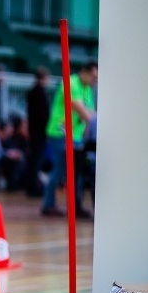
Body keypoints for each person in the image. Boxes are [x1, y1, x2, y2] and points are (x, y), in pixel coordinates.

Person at [41, 60, 98, 219]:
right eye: (93, 76)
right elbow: (84, 113)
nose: (95, 80)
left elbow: (92, 115)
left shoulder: (87, 89)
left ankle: (76, 206)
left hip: (77, 136)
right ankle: (48, 205)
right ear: (84, 72)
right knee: (59, 170)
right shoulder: (71, 83)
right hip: (60, 133)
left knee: (77, 172)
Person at [25, 66, 50, 197]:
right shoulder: (39, 93)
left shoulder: (33, 92)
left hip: (34, 130)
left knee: (34, 160)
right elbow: (42, 115)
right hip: (39, 132)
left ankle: (32, 185)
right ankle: (33, 187)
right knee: (36, 160)